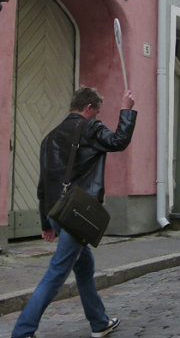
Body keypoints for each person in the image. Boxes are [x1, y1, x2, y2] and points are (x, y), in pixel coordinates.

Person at [12, 87, 136, 338]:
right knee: (57, 272)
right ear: (88, 108)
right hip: (76, 215)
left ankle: (99, 323)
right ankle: (23, 331)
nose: (97, 115)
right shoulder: (90, 128)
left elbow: (43, 184)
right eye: (97, 111)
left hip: (57, 214)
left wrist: (45, 222)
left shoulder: (50, 136)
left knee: (84, 267)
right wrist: (126, 109)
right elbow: (118, 141)